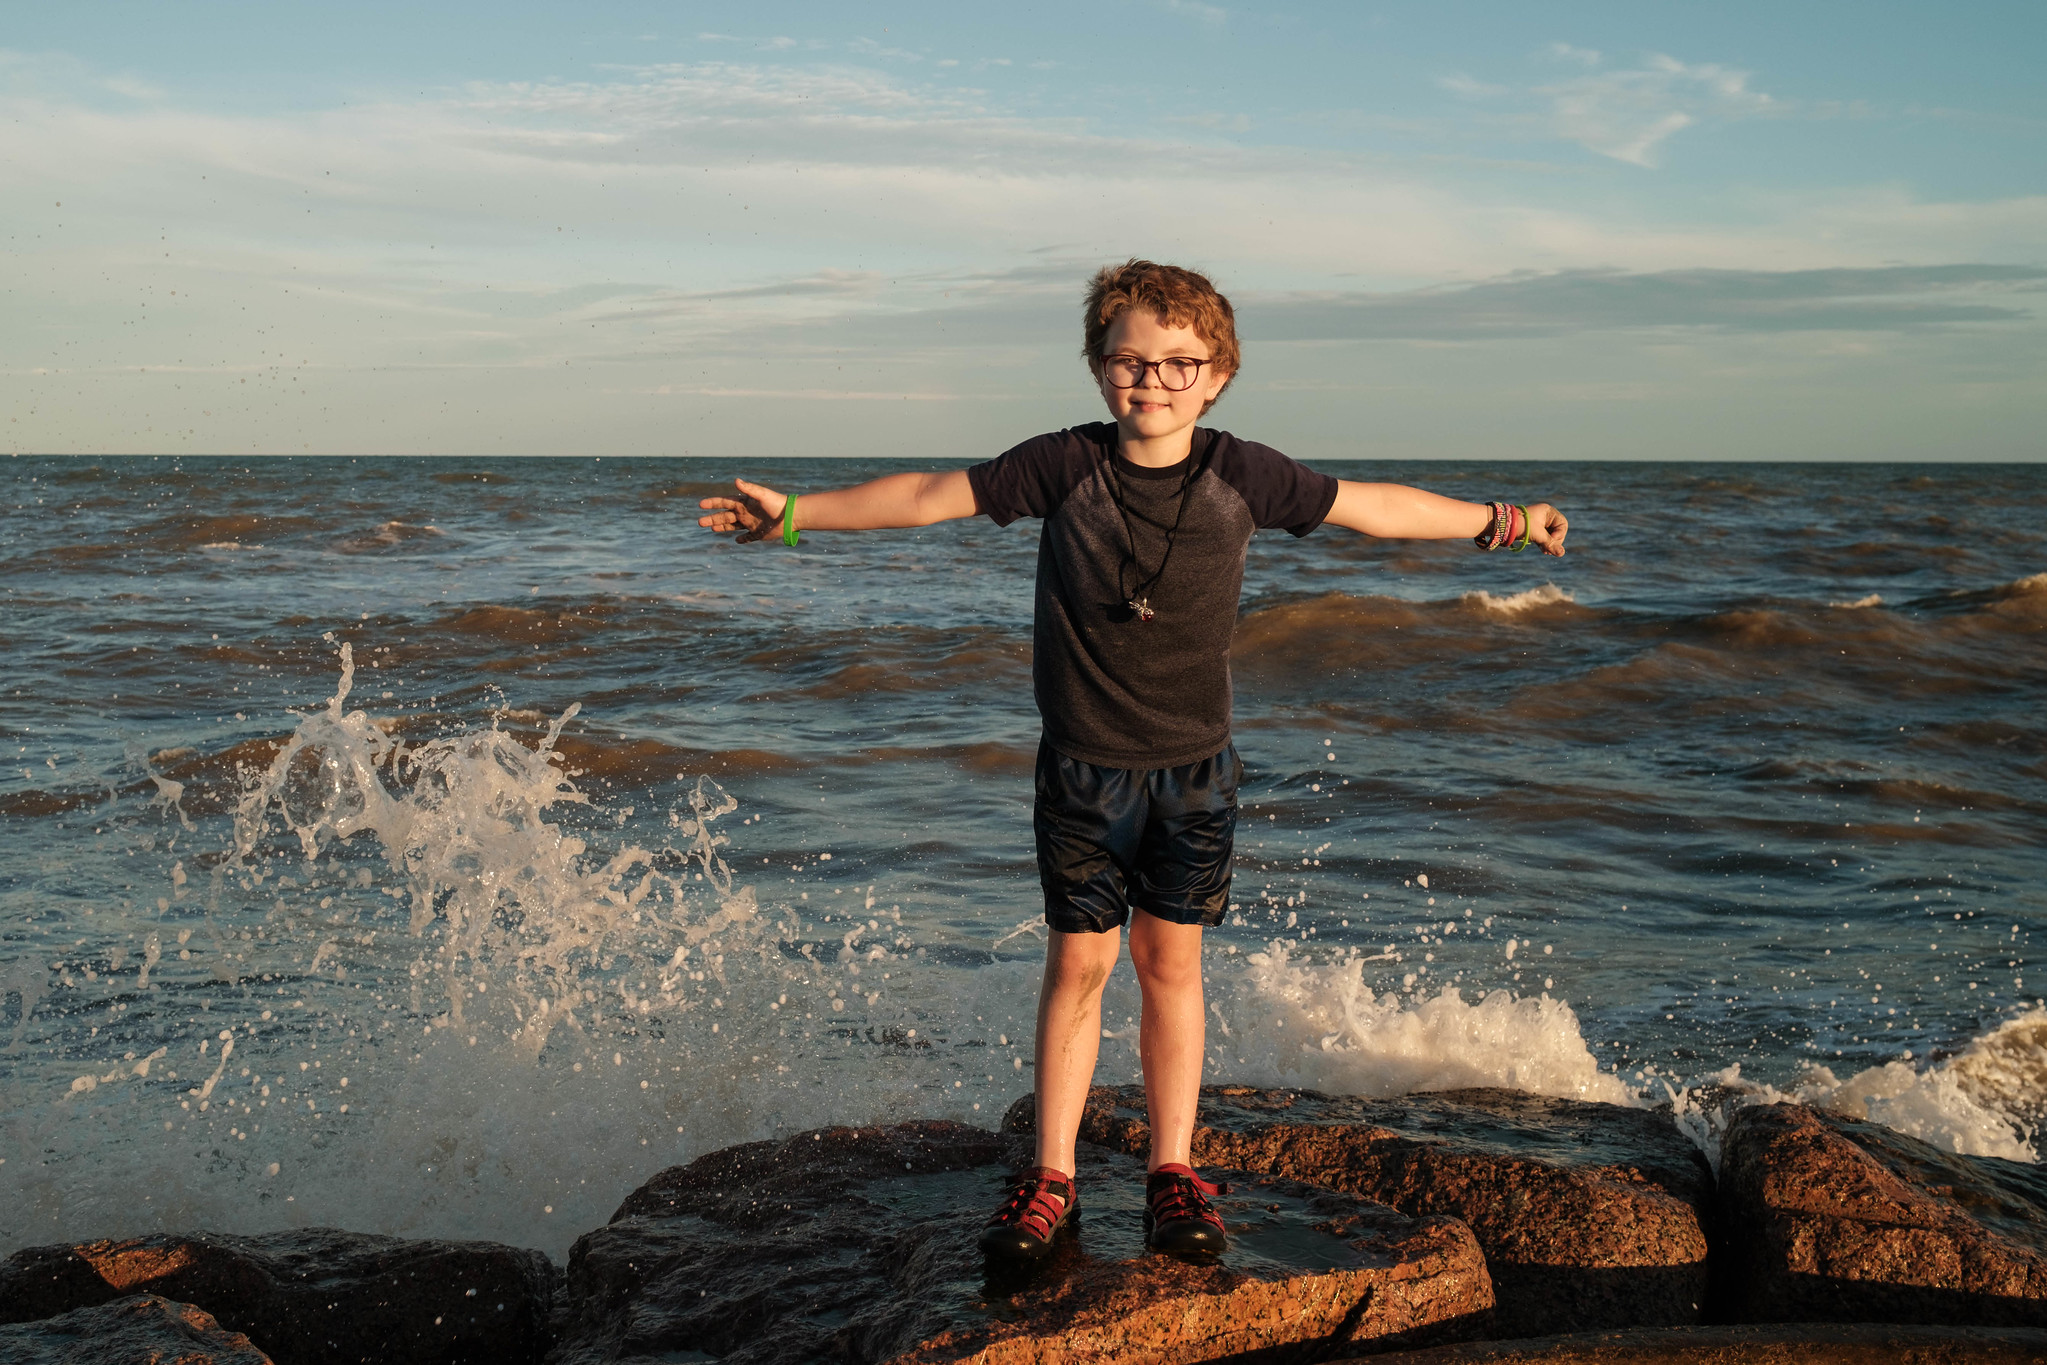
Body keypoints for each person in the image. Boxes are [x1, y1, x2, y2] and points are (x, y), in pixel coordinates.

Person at [698, 259, 1567, 1261]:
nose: (1152, 380)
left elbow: (1373, 506)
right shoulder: (1063, 464)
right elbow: (931, 494)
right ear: (1098, 367)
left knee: (1170, 963)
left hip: (1193, 769)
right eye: (1129, 361)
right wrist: (796, 515)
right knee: (1079, 962)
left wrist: (1503, 522)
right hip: (1083, 767)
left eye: (1178, 363)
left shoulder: (1244, 475)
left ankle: (1171, 1170)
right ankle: (1051, 1178)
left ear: (1218, 375)